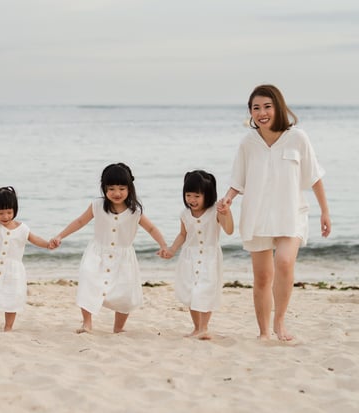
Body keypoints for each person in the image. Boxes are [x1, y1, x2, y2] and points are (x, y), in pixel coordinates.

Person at [217, 84, 331, 341]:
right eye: (256, 108)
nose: (262, 112)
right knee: (262, 277)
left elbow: (314, 177)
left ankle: (279, 322)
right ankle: (263, 332)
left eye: (267, 106)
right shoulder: (248, 142)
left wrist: (325, 212)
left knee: (284, 262)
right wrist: (227, 200)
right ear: (250, 112)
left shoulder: (298, 138)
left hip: (291, 214)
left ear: (278, 107)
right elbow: (238, 180)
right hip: (256, 216)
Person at [49, 163, 169, 334]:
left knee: (125, 292)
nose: (116, 193)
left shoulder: (135, 211)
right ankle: (87, 323)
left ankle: (119, 327)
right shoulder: (97, 205)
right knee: (88, 281)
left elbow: (151, 228)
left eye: (121, 188)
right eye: (111, 188)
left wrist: (163, 245)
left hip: (124, 257)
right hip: (97, 253)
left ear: (130, 188)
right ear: (104, 188)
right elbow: (79, 221)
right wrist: (60, 236)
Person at [161, 170, 233, 340]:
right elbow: (183, 235)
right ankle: (197, 327)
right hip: (189, 258)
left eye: (196, 196)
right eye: (188, 195)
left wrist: (226, 213)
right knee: (192, 293)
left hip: (210, 258)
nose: (191, 200)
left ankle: (204, 327)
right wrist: (171, 249)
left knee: (205, 292)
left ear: (207, 195)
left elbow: (229, 230)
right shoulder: (185, 214)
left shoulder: (215, 212)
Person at [0, 186, 50, 332]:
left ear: (14, 210)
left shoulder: (23, 228)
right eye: (0, 213)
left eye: (9, 212)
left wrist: (48, 244)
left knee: (12, 297)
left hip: (13, 271)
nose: (5, 216)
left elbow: (35, 239)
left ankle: (8, 327)